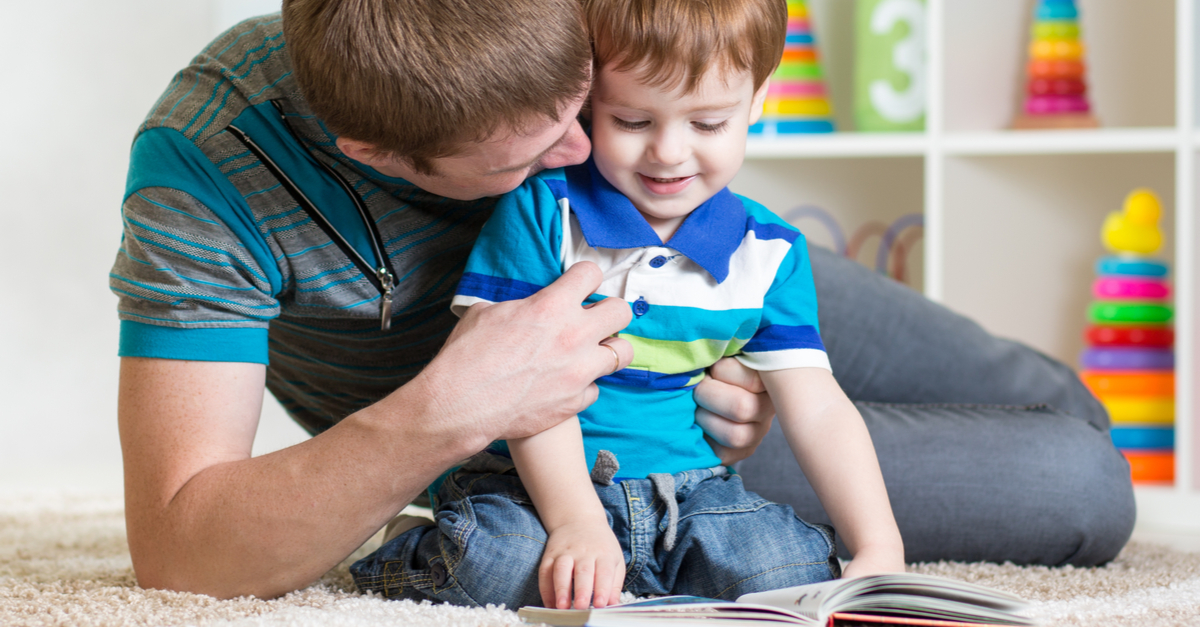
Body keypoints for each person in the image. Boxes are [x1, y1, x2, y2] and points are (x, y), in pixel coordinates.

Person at [111, 0, 1134, 603]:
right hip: (602, 449)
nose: (583, 162)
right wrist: (454, 407)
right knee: (1079, 485)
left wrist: (749, 360)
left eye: (581, 106)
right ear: (379, 156)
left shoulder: (624, 133)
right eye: (530, 153)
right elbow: (179, 547)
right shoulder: (209, 168)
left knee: (1060, 400)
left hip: (715, 285)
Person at [349, 0, 904, 610]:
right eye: (634, 122)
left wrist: (878, 546)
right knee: (495, 562)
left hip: (688, 490)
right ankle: (410, 546)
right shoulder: (545, 212)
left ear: (757, 101)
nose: (668, 152)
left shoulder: (770, 251)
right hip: (530, 487)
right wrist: (575, 522)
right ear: (587, 103)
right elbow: (520, 385)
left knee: (783, 566)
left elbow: (820, 409)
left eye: (709, 124)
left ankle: (642, 569)